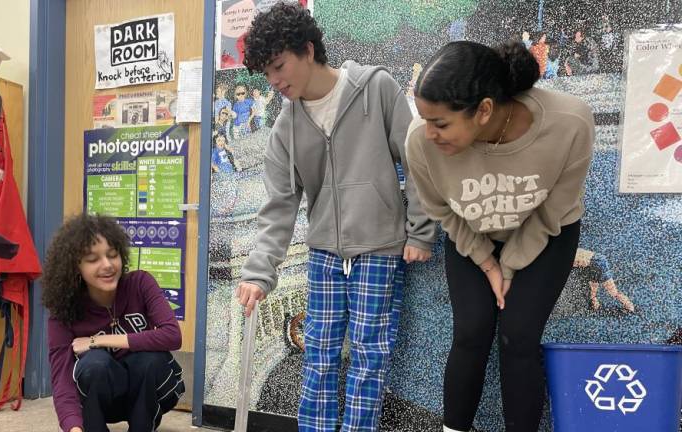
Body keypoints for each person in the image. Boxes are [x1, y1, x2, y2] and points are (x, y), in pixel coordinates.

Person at [236, 3, 435, 432]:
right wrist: (259, 272)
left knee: (368, 359)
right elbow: (279, 208)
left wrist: (420, 231)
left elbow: (418, 161)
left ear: (308, 50)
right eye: (266, 74)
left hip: (380, 249)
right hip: (325, 253)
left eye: (278, 66)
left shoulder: (377, 87)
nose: (273, 82)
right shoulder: (284, 127)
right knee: (318, 358)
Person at [405, 40, 594, 432]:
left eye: (440, 123)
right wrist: (487, 261)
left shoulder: (570, 123)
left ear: (484, 110)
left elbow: (551, 212)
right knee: (471, 331)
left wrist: (509, 264)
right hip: (473, 232)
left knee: (518, 335)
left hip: (547, 231)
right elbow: (442, 210)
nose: (429, 134)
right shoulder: (420, 143)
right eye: (425, 120)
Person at [42, 214, 184, 432]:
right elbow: (62, 380)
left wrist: (96, 340)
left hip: (151, 392)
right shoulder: (64, 309)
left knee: (149, 359)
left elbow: (172, 336)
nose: (107, 265)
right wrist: (73, 428)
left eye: (113, 255)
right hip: (101, 399)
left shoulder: (140, 283)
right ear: (75, 267)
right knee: (93, 364)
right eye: (92, 259)